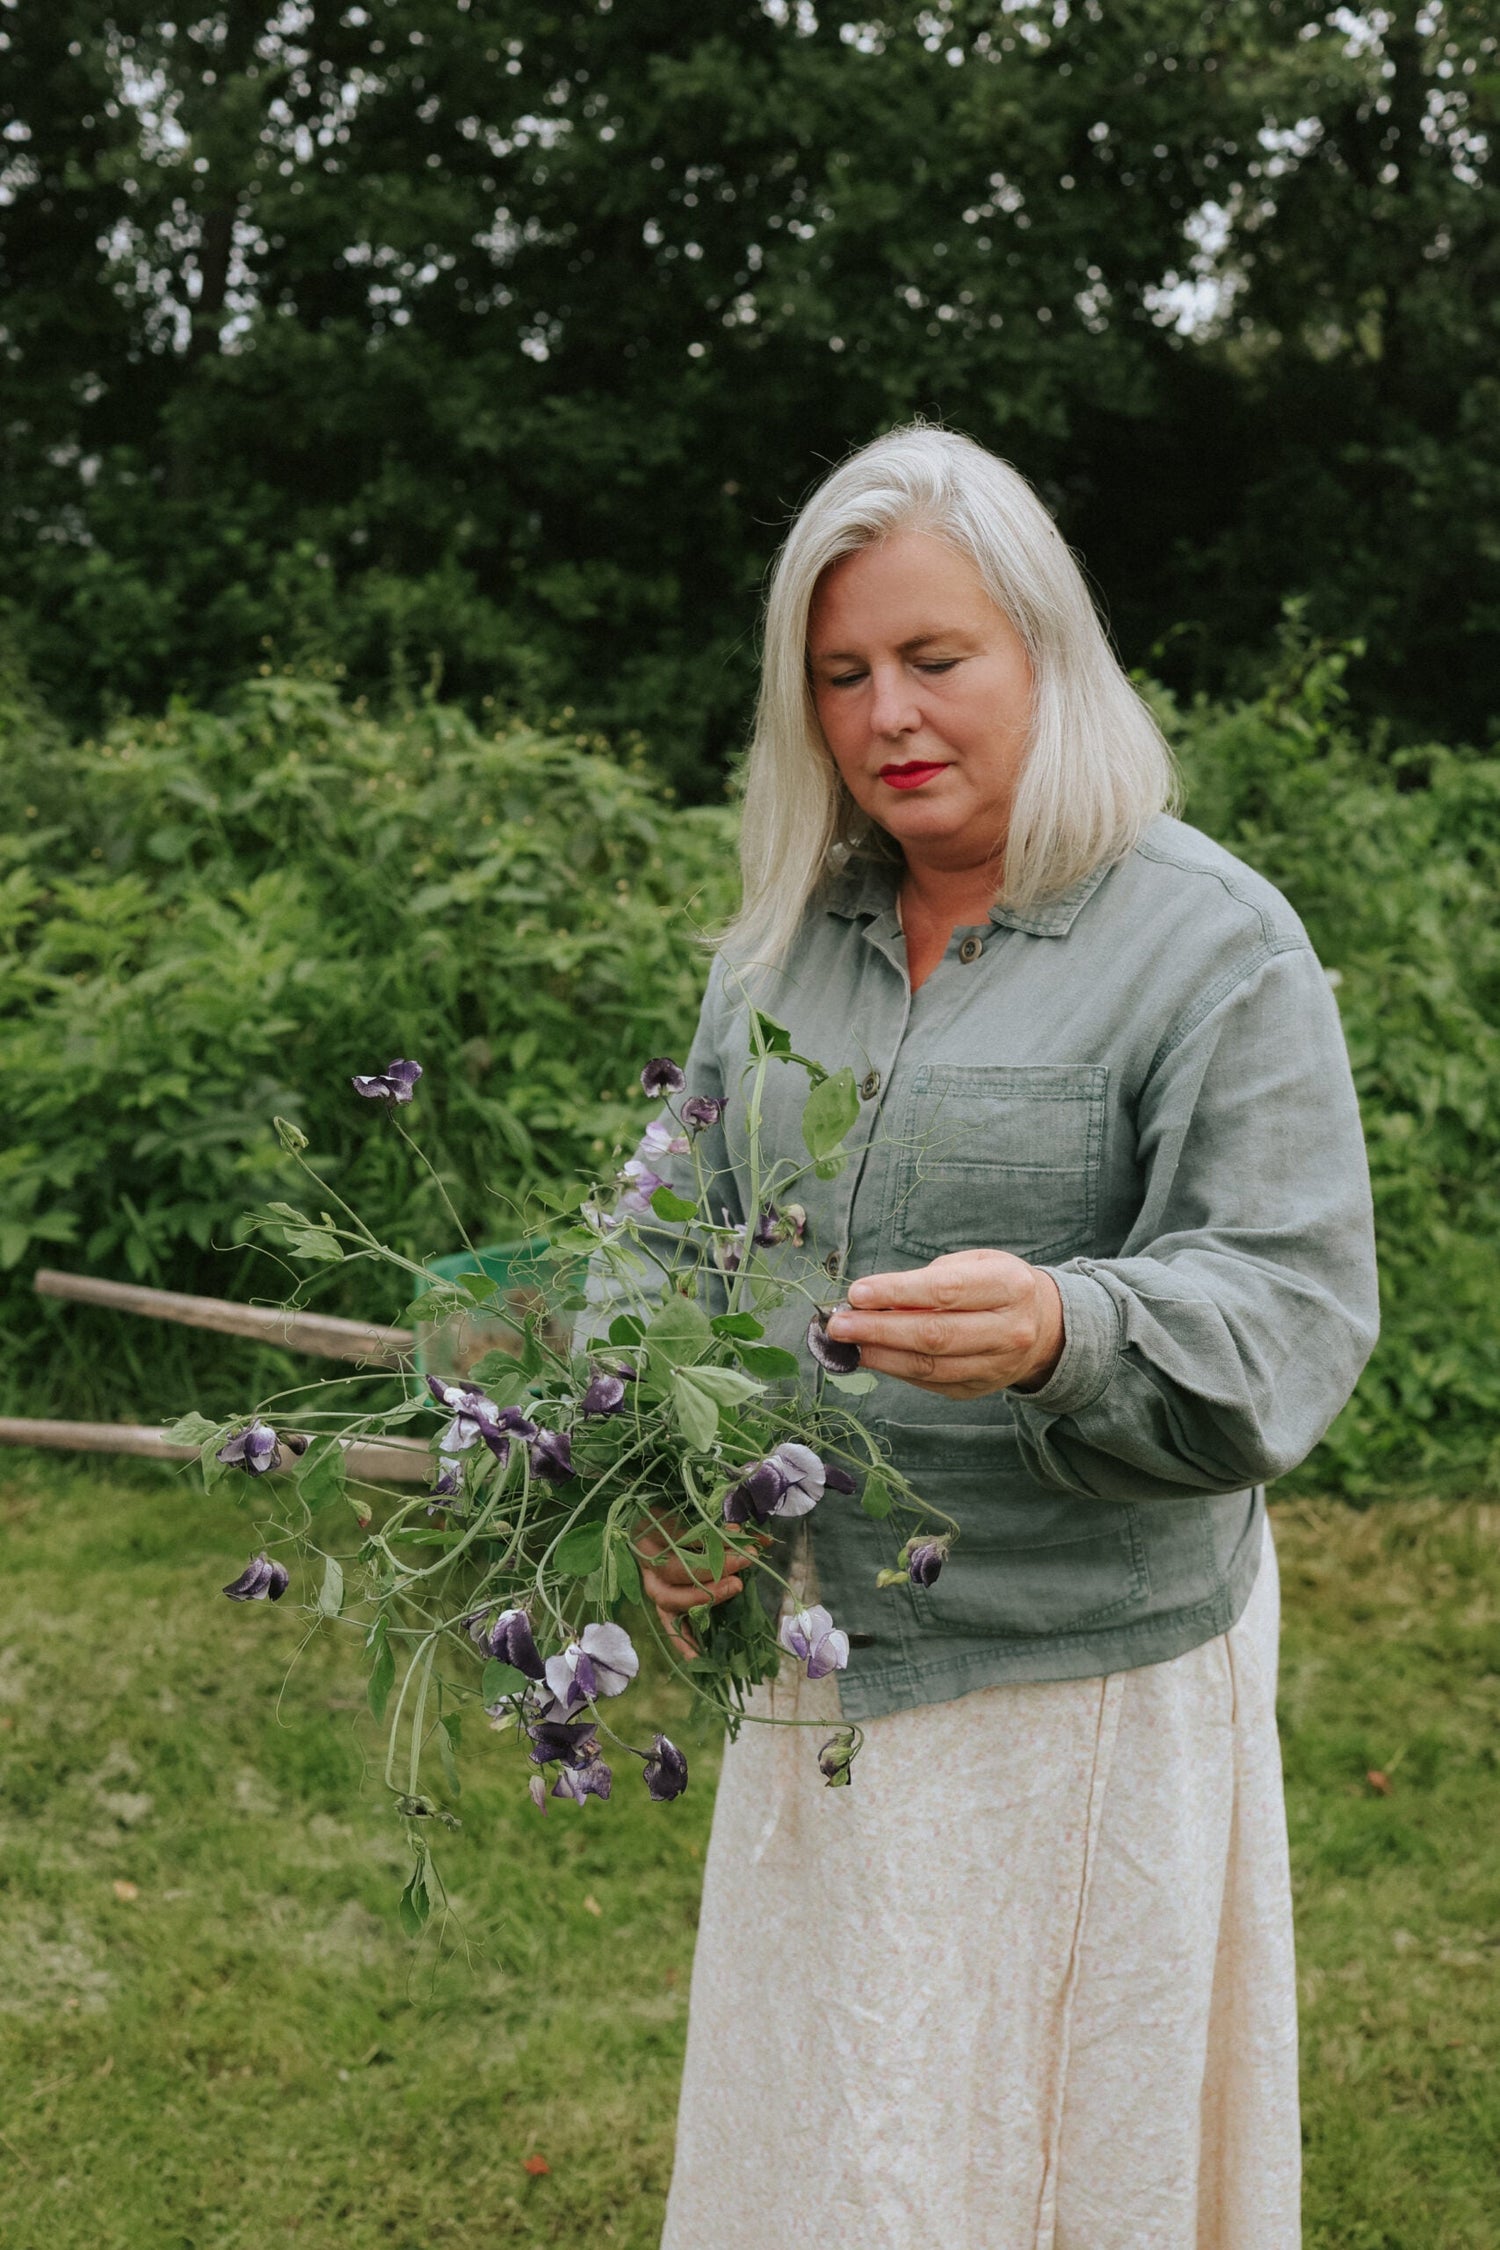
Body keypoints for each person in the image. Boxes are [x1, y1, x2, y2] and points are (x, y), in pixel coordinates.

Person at [632, 425, 1377, 2250]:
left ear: (1045, 648)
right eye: (841, 674)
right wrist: (652, 1471)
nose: (887, 711)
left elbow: (1289, 1309)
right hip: (829, 1658)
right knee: (841, 2145)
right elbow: (660, 1242)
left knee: (1051, 2164)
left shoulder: (1214, 944)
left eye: (934, 658)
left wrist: (1072, 1326)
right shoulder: (782, 954)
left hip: (1078, 1687)